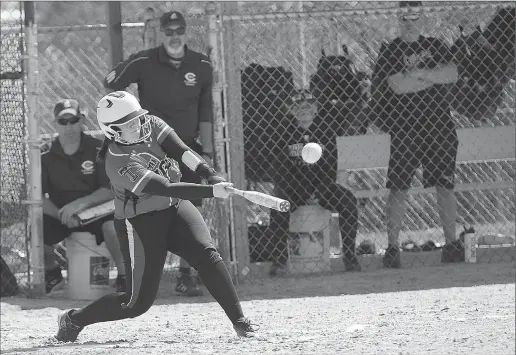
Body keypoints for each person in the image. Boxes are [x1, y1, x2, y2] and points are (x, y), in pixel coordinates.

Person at [55, 91, 258, 342]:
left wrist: (210, 173)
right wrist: (212, 191)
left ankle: (241, 323)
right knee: (135, 304)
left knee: (207, 255)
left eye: (137, 118)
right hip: (141, 224)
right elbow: (164, 187)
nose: (138, 124)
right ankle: (74, 319)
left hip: (175, 208)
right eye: (128, 123)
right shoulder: (117, 160)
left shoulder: (149, 124)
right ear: (113, 131)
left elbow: (181, 150)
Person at [103, 10, 214, 296]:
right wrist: (138, 52)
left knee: (192, 203)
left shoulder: (200, 64)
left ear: (186, 31)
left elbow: (206, 110)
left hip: (185, 147)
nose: (174, 36)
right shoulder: (145, 60)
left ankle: (185, 274)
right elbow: (111, 84)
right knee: (154, 202)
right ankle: (137, 275)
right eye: (169, 31)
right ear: (160, 33)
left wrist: (210, 152)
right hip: (149, 148)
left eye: (179, 30)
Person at [370, 1, 464, 268]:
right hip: (406, 128)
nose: (408, 20)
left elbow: (452, 73)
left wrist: (420, 73)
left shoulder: (436, 45)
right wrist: (431, 77)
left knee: (444, 185)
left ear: (422, 17)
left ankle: (452, 244)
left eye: (414, 14)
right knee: (398, 188)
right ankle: (391, 248)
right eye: (403, 15)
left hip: (439, 126)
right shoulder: (391, 51)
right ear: (398, 18)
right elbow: (397, 85)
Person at [267, 89, 360, 275]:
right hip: (293, 187)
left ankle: (350, 256)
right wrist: (301, 191)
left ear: (316, 108)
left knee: (348, 201)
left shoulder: (325, 130)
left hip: (321, 187)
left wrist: (319, 192)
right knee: (278, 204)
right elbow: (279, 168)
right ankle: (279, 260)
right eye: (298, 107)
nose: (304, 110)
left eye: (309, 106)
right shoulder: (282, 131)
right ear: (291, 110)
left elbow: (331, 165)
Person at [42, 99, 125, 293]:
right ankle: (53, 275)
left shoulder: (97, 148)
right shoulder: (45, 153)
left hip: (93, 211)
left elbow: (108, 189)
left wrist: (79, 205)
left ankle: (124, 277)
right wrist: (63, 215)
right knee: (36, 228)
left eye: (74, 120)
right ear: (55, 124)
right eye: (63, 122)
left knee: (113, 226)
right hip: (60, 214)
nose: (69, 126)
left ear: (82, 121)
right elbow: (38, 197)